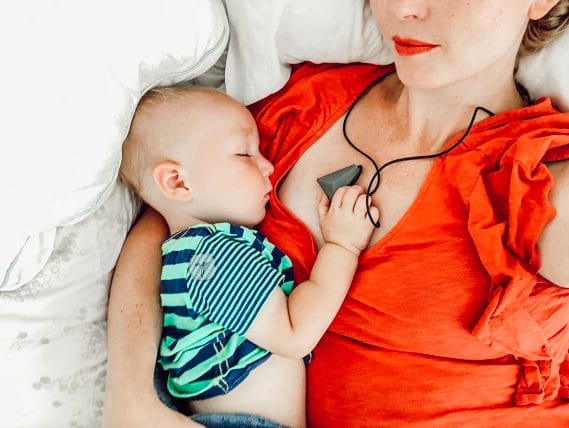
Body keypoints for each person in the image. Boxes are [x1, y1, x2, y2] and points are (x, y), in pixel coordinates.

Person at [104, 0, 569, 426]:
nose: (403, 8)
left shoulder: (539, 177)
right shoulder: (300, 105)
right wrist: (130, 398)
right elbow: (167, 217)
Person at [115, 86, 378, 427]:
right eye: (244, 154)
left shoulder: (186, 256)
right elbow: (295, 334)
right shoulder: (212, 256)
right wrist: (343, 246)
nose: (268, 166)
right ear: (178, 182)